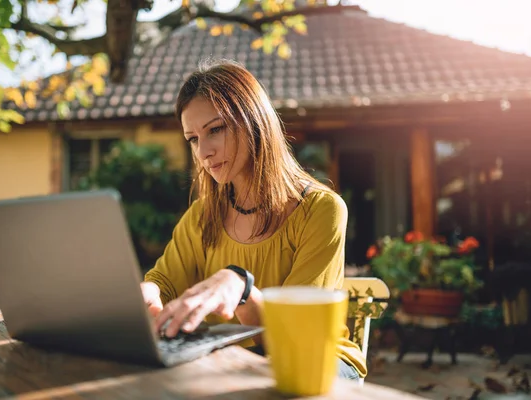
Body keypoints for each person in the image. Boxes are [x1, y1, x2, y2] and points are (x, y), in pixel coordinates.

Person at [141, 59, 365, 380]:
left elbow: (298, 335)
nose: (203, 151)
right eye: (192, 138)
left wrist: (241, 287)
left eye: (215, 130)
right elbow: (163, 283)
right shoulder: (201, 217)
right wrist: (146, 294)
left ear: (254, 122)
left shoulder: (321, 211)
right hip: (232, 363)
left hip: (319, 361)